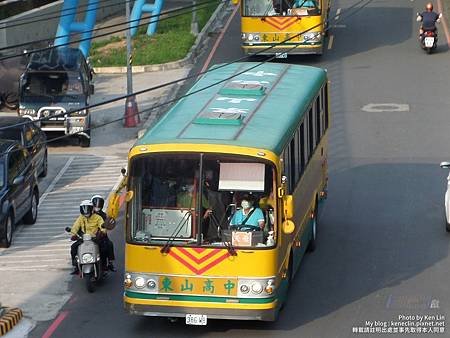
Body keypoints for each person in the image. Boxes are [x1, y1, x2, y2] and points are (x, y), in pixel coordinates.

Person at [69, 200, 106, 275]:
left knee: (104, 248)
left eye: (88, 208)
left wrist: (102, 232)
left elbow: (103, 226)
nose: (86, 212)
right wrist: (73, 234)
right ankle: (76, 266)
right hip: (83, 239)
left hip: (95, 239)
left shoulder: (98, 217)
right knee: (73, 247)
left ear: (91, 209)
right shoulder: (81, 218)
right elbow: (75, 227)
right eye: (84, 208)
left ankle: (104, 266)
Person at [91, 195, 116, 272]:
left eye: (99, 206)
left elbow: (108, 224)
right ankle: (77, 264)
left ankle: (110, 263)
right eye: (96, 206)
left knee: (109, 245)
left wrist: (104, 229)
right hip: (89, 236)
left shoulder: (104, 215)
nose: (97, 208)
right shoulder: (88, 213)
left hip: (101, 236)